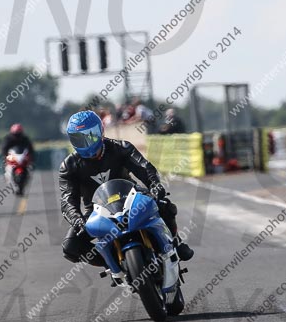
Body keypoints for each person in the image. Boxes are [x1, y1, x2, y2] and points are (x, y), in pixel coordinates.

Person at [58, 110, 195, 267]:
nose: (87, 143)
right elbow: (67, 199)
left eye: (90, 135)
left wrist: (155, 185)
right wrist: (77, 219)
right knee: (70, 247)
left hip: (131, 196)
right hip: (96, 210)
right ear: (72, 140)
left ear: (101, 131)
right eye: (79, 139)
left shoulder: (120, 147)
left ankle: (176, 243)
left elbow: (144, 167)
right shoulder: (68, 166)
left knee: (164, 205)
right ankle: (113, 265)